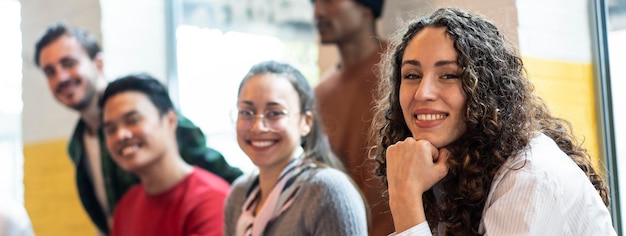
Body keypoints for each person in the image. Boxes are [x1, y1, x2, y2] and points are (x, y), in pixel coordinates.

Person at [370, 7, 616, 235]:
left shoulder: (528, 178)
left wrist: (405, 200)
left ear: (485, 89)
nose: (423, 93)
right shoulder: (449, 168)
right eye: (412, 75)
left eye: (448, 75)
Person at [34, 23, 242, 234]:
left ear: (98, 64)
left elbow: (228, 182)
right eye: (50, 71)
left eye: (68, 63)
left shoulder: (153, 112)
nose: (61, 77)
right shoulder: (77, 146)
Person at [224, 61, 368, 235]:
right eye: (246, 112)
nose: (257, 127)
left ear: (306, 122)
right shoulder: (239, 194)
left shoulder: (328, 191)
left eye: (275, 113)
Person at [100, 74, 229, 236]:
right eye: (111, 130)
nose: (121, 135)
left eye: (132, 120)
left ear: (170, 121)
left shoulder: (210, 199)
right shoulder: (126, 206)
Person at [311, 0, 394, 234]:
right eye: (313, 3)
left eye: (328, 1)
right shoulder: (319, 94)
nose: (318, 12)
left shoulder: (405, 70)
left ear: (367, 7)